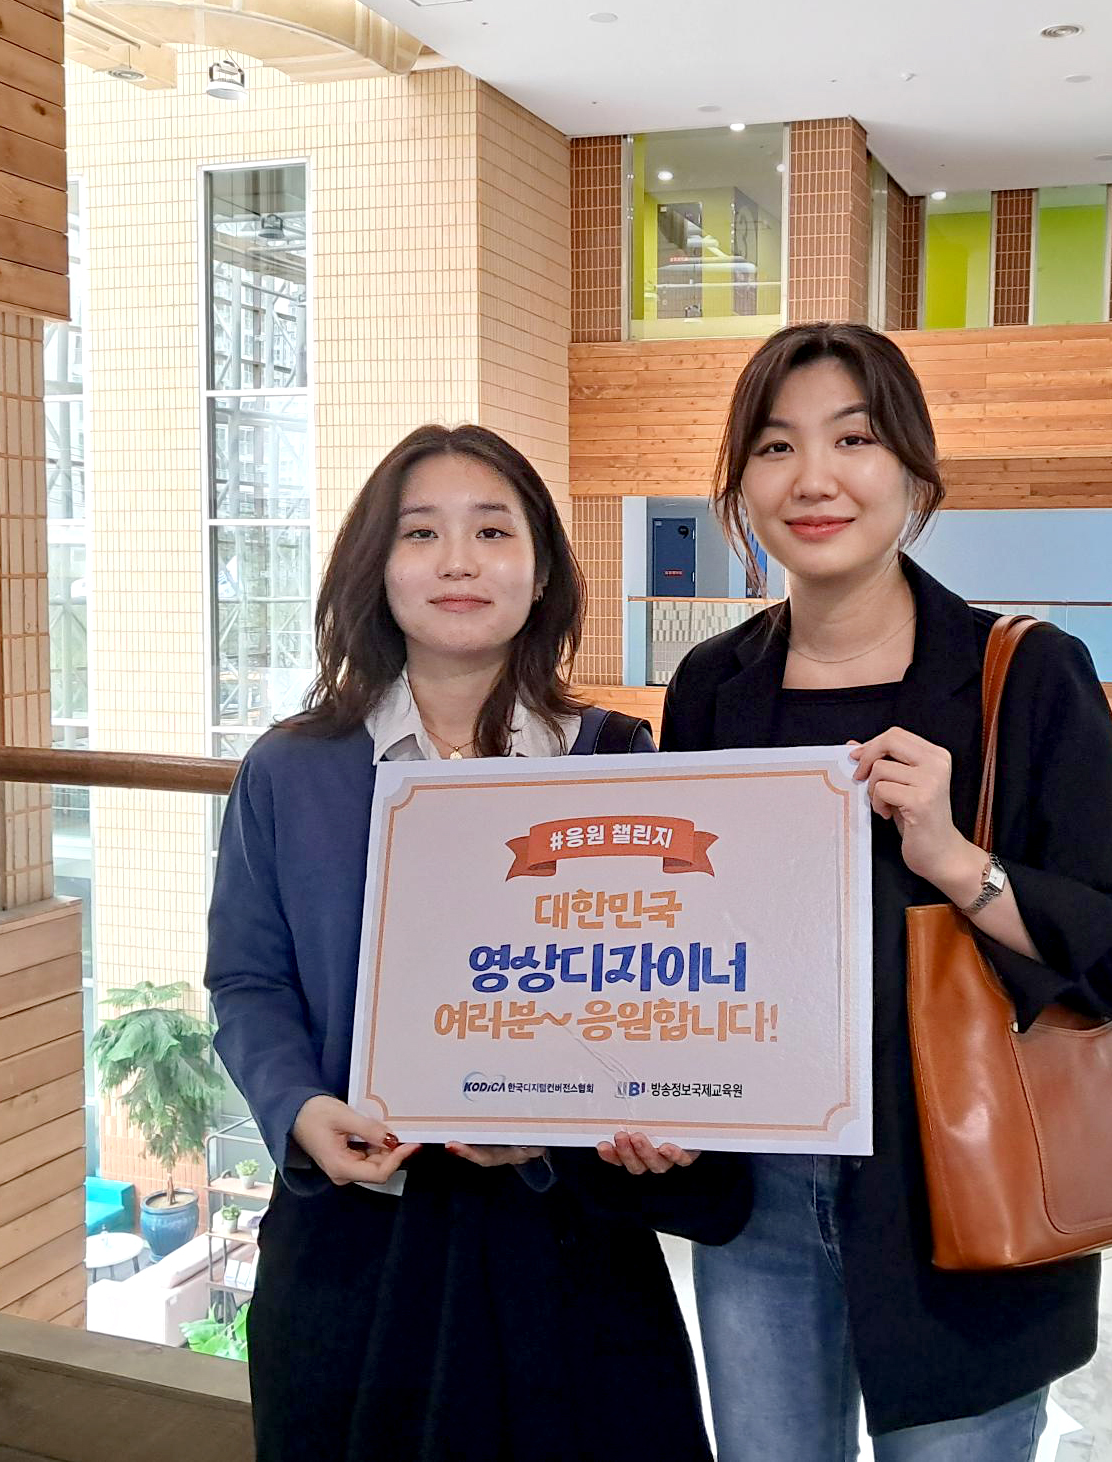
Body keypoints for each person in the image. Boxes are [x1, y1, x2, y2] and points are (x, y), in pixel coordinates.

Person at [660, 324, 1112, 1461]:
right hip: (757, 1201)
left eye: (852, 439)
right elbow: (687, 941)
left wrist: (955, 859)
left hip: (962, 1191)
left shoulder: (1024, 673)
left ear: (913, 471)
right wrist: (651, 1090)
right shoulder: (712, 684)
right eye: (775, 447)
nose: (813, 478)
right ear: (741, 487)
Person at [206, 424, 748, 1462]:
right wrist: (300, 1109)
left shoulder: (618, 761)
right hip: (356, 1237)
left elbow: (659, 994)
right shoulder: (289, 768)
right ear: (376, 568)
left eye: (492, 531)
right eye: (420, 533)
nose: (457, 560)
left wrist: (599, 1115)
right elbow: (246, 978)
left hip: (564, 1245)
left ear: (541, 573)